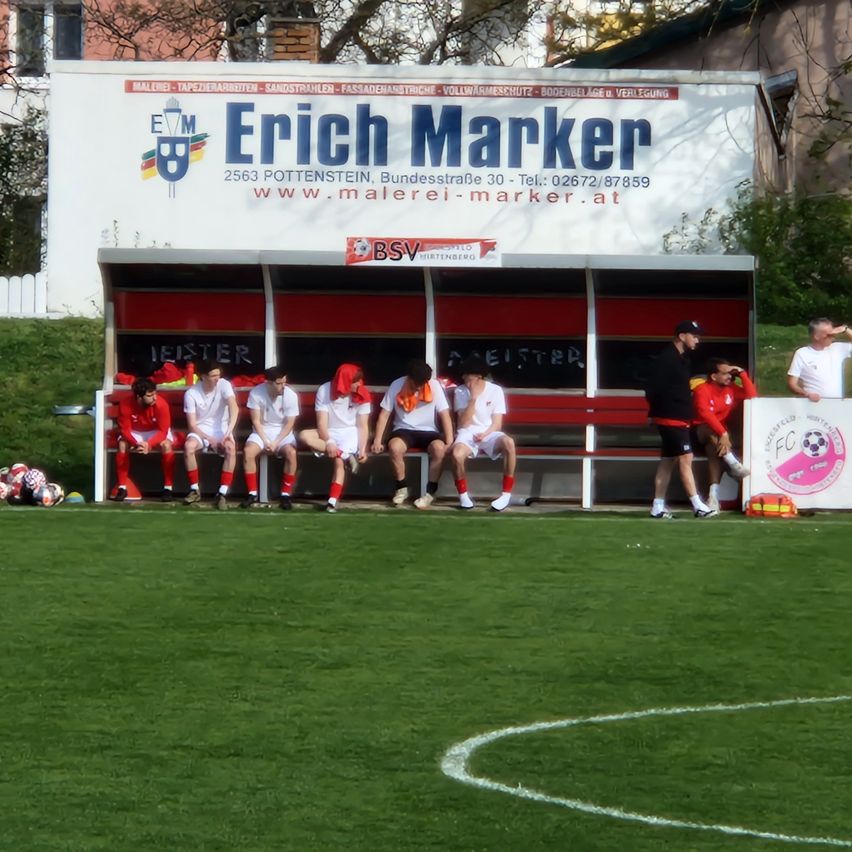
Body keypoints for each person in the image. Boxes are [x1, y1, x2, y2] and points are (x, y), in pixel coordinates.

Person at [645, 320, 716, 519]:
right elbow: (653, 389)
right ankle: (698, 505)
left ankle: (657, 506)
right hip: (671, 418)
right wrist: (657, 412)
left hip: (679, 417)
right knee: (686, 458)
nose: (697, 340)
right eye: (694, 336)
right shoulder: (666, 359)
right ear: (682, 336)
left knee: (668, 461)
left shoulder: (683, 359)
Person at [372, 359, 453, 509]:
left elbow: (444, 414)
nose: (419, 386)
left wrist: (449, 442)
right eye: (417, 383)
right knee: (395, 447)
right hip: (403, 429)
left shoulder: (435, 386)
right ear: (409, 378)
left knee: (439, 449)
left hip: (429, 431)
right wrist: (377, 440)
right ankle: (401, 488)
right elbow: (384, 414)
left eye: (422, 383)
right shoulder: (396, 384)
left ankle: (430, 493)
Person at [448, 355, 517, 511]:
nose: (464, 377)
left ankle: (506, 494)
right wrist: (473, 399)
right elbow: (464, 423)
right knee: (457, 454)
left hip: (489, 432)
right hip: (467, 432)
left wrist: (485, 434)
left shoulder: (495, 390)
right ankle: (463, 496)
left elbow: (497, 424)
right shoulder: (460, 391)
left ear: (478, 376)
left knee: (509, 443)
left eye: (467, 374)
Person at [300, 363, 371, 513]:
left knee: (338, 463)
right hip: (328, 431)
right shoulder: (324, 390)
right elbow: (321, 423)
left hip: (349, 432)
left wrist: (362, 449)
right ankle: (345, 455)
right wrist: (329, 441)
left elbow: (362, 425)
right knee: (304, 435)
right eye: (355, 381)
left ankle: (332, 502)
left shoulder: (363, 393)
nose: (359, 384)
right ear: (345, 381)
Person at [691, 357, 757, 512]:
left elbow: (752, 396)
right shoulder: (702, 389)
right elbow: (705, 415)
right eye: (725, 373)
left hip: (718, 437)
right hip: (697, 432)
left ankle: (713, 496)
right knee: (707, 429)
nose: (729, 376)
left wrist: (742, 374)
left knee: (713, 451)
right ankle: (733, 463)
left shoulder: (731, 388)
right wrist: (723, 433)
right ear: (714, 376)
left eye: (730, 373)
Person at [239, 365, 300, 511]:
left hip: (283, 433)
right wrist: (266, 441)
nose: (283, 386)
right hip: (261, 432)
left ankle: (285, 495)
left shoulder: (291, 395)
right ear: (269, 383)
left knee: (291, 453)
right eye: (279, 383)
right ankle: (252, 493)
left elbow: (289, 424)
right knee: (248, 452)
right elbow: (256, 421)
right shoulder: (256, 393)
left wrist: (276, 442)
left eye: (284, 382)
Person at [182, 360, 240, 510]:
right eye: (213, 376)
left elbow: (234, 408)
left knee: (230, 449)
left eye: (218, 375)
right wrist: (209, 439)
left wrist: (228, 432)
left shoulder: (224, 385)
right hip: (200, 430)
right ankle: (195, 490)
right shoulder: (191, 393)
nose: (217, 379)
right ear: (203, 376)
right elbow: (192, 425)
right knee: (189, 447)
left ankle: (222, 493)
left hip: (223, 429)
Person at [112, 377, 176, 502]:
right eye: (150, 395)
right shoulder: (125, 404)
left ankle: (168, 488)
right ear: (139, 397)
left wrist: (149, 444)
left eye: (155, 394)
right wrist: (136, 443)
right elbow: (125, 430)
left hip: (155, 431)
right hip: (135, 432)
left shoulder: (161, 405)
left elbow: (163, 431)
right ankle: (122, 487)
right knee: (122, 444)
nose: (154, 398)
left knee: (166, 445)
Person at [787, 318, 852, 401]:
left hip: (837, 404)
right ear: (816, 336)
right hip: (813, 404)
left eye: (834, 334)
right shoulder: (802, 353)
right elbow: (792, 384)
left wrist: (845, 330)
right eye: (829, 335)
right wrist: (807, 394)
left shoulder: (838, 348)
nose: (833, 337)